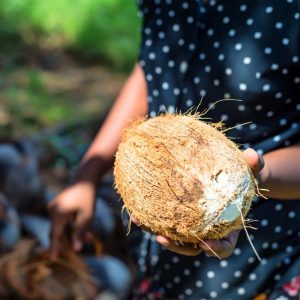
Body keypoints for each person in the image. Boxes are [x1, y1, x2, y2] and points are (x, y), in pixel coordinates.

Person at [50, 1, 300, 299]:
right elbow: (151, 70)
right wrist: (87, 175)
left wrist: (247, 180)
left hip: (265, 255)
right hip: (160, 255)